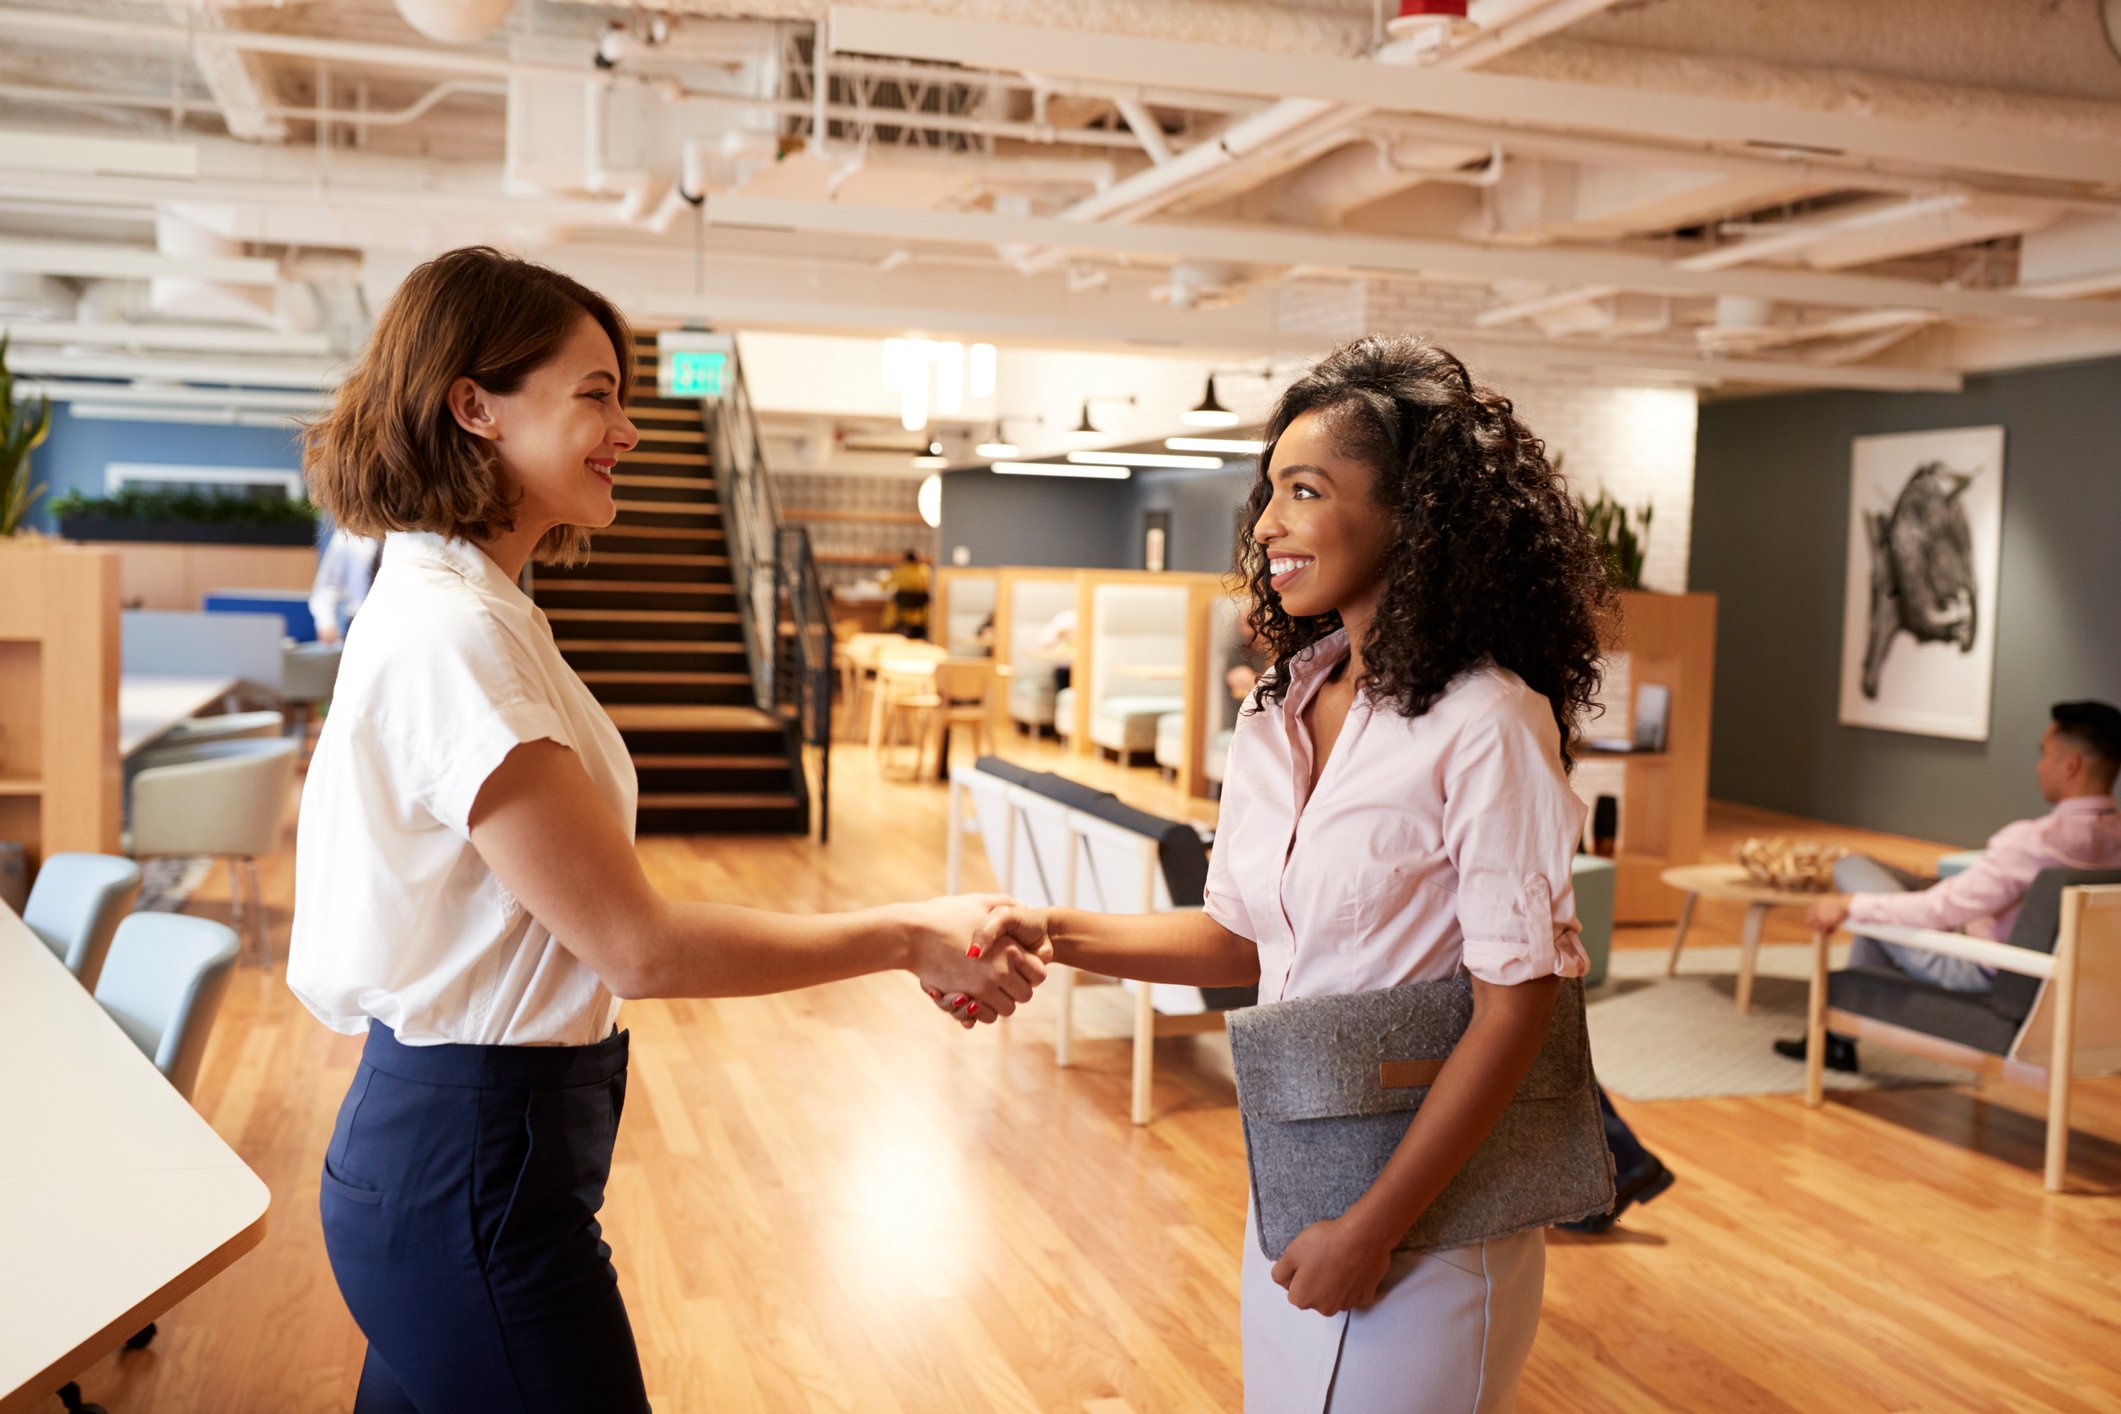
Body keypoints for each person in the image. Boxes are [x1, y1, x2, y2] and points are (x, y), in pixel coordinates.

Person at [288, 246, 1044, 1413]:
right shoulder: (456, 635)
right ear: (474, 405)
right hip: (471, 1167)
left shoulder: (476, 608)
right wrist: (905, 934)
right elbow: (636, 948)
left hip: (460, 1158)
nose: (627, 430)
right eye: (596, 394)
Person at [959, 336, 1614, 1411]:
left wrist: (1375, 1228)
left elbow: (1518, 1007)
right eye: (1270, 492)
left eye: (1304, 491)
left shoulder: (1488, 721)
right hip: (1300, 1172)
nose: (1265, 525)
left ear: (1413, 518)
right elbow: (1238, 936)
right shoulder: (1277, 710)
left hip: (1430, 1217)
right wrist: (1050, 929)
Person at [1777, 699, 2121, 1072]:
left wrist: (1848, 906)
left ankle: (1834, 1040)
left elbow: (1940, 910)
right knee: (1885, 893)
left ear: (2070, 765)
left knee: (1853, 870)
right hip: (2072, 986)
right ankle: (1834, 1041)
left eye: (2044, 754)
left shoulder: (2033, 841)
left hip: (1974, 967)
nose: (2039, 765)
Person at [308, 524, 383, 643]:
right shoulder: (348, 535)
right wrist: (326, 622)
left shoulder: (407, 536)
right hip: (358, 623)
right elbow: (326, 586)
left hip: (397, 622)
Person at [879, 548, 932, 635]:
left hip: (901, 613)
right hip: (920, 616)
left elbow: (883, 585)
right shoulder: (924, 571)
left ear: (905, 559)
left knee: (892, 604)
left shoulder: (899, 570)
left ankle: (892, 630)